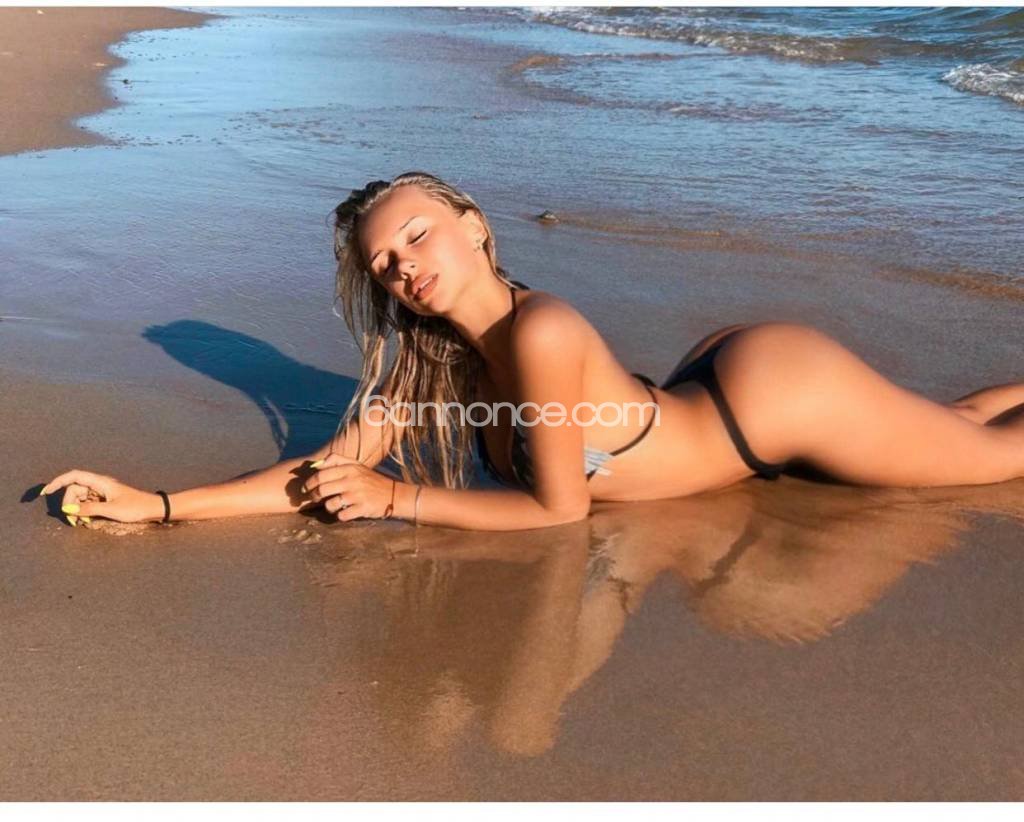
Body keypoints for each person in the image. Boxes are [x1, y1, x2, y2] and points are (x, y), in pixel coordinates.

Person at [40, 171, 1024, 532]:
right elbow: (331, 470)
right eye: (384, 262)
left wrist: (400, 500)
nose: (403, 265)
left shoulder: (543, 330)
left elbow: (558, 511)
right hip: (708, 390)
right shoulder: (434, 362)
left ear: (472, 225)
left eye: (417, 234)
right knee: (954, 423)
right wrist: (158, 506)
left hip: (772, 402)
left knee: (991, 457)